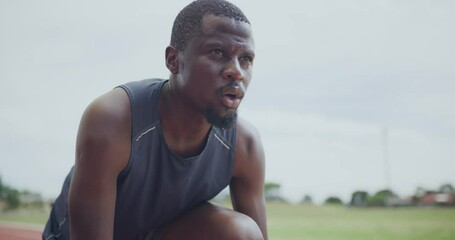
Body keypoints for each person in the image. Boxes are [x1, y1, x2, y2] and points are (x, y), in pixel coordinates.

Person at [42, 0, 267, 239]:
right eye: (218, 52)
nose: (236, 71)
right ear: (173, 60)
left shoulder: (244, 145)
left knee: (242, 233)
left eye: (246, 59)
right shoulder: (113, 120)